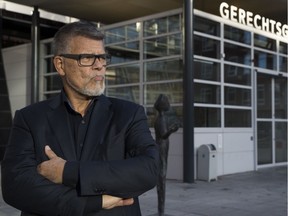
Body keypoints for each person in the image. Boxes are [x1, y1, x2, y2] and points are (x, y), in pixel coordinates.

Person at [1, 21, 159, 216]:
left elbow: (149, 170)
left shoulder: (129, 114)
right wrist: (94, 201)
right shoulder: (30, 118)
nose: (99, 66)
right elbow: (15, 187)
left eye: (102, 57)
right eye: (88, 58)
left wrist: (68, 172)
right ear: (60, 65)